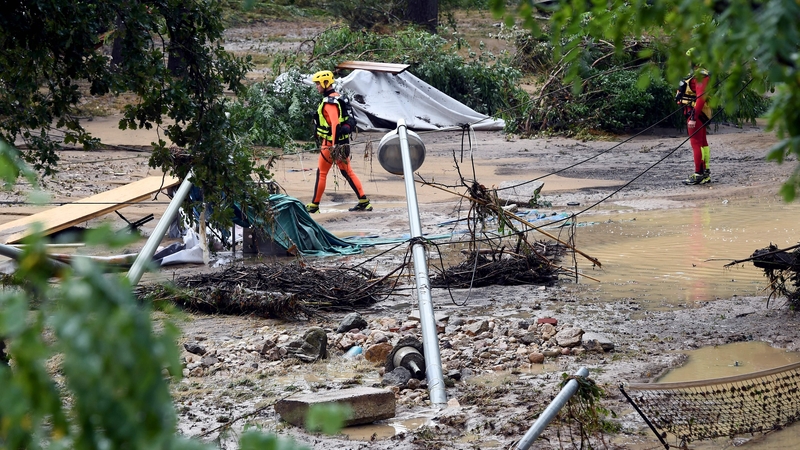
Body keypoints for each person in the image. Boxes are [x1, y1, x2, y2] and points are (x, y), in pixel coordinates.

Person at [305, 70, 372, 213]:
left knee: (322, 173)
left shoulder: (329, 103)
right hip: (342, 142)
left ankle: (314, 205)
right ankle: (364, 201)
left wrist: (333, 145)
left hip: (331, 144)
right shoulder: (339, 98)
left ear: (325, 83)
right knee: (347, 171)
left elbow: (335, 123)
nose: (316, 86)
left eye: (318, 84)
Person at [676, 48, 712, 185]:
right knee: (702, 142)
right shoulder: (698, 75)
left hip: (695, 113)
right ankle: (705, 173)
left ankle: (698, 174)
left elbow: (701, 97)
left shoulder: (699, 76)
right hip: (699, 112)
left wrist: (693, 117)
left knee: (696, 143)